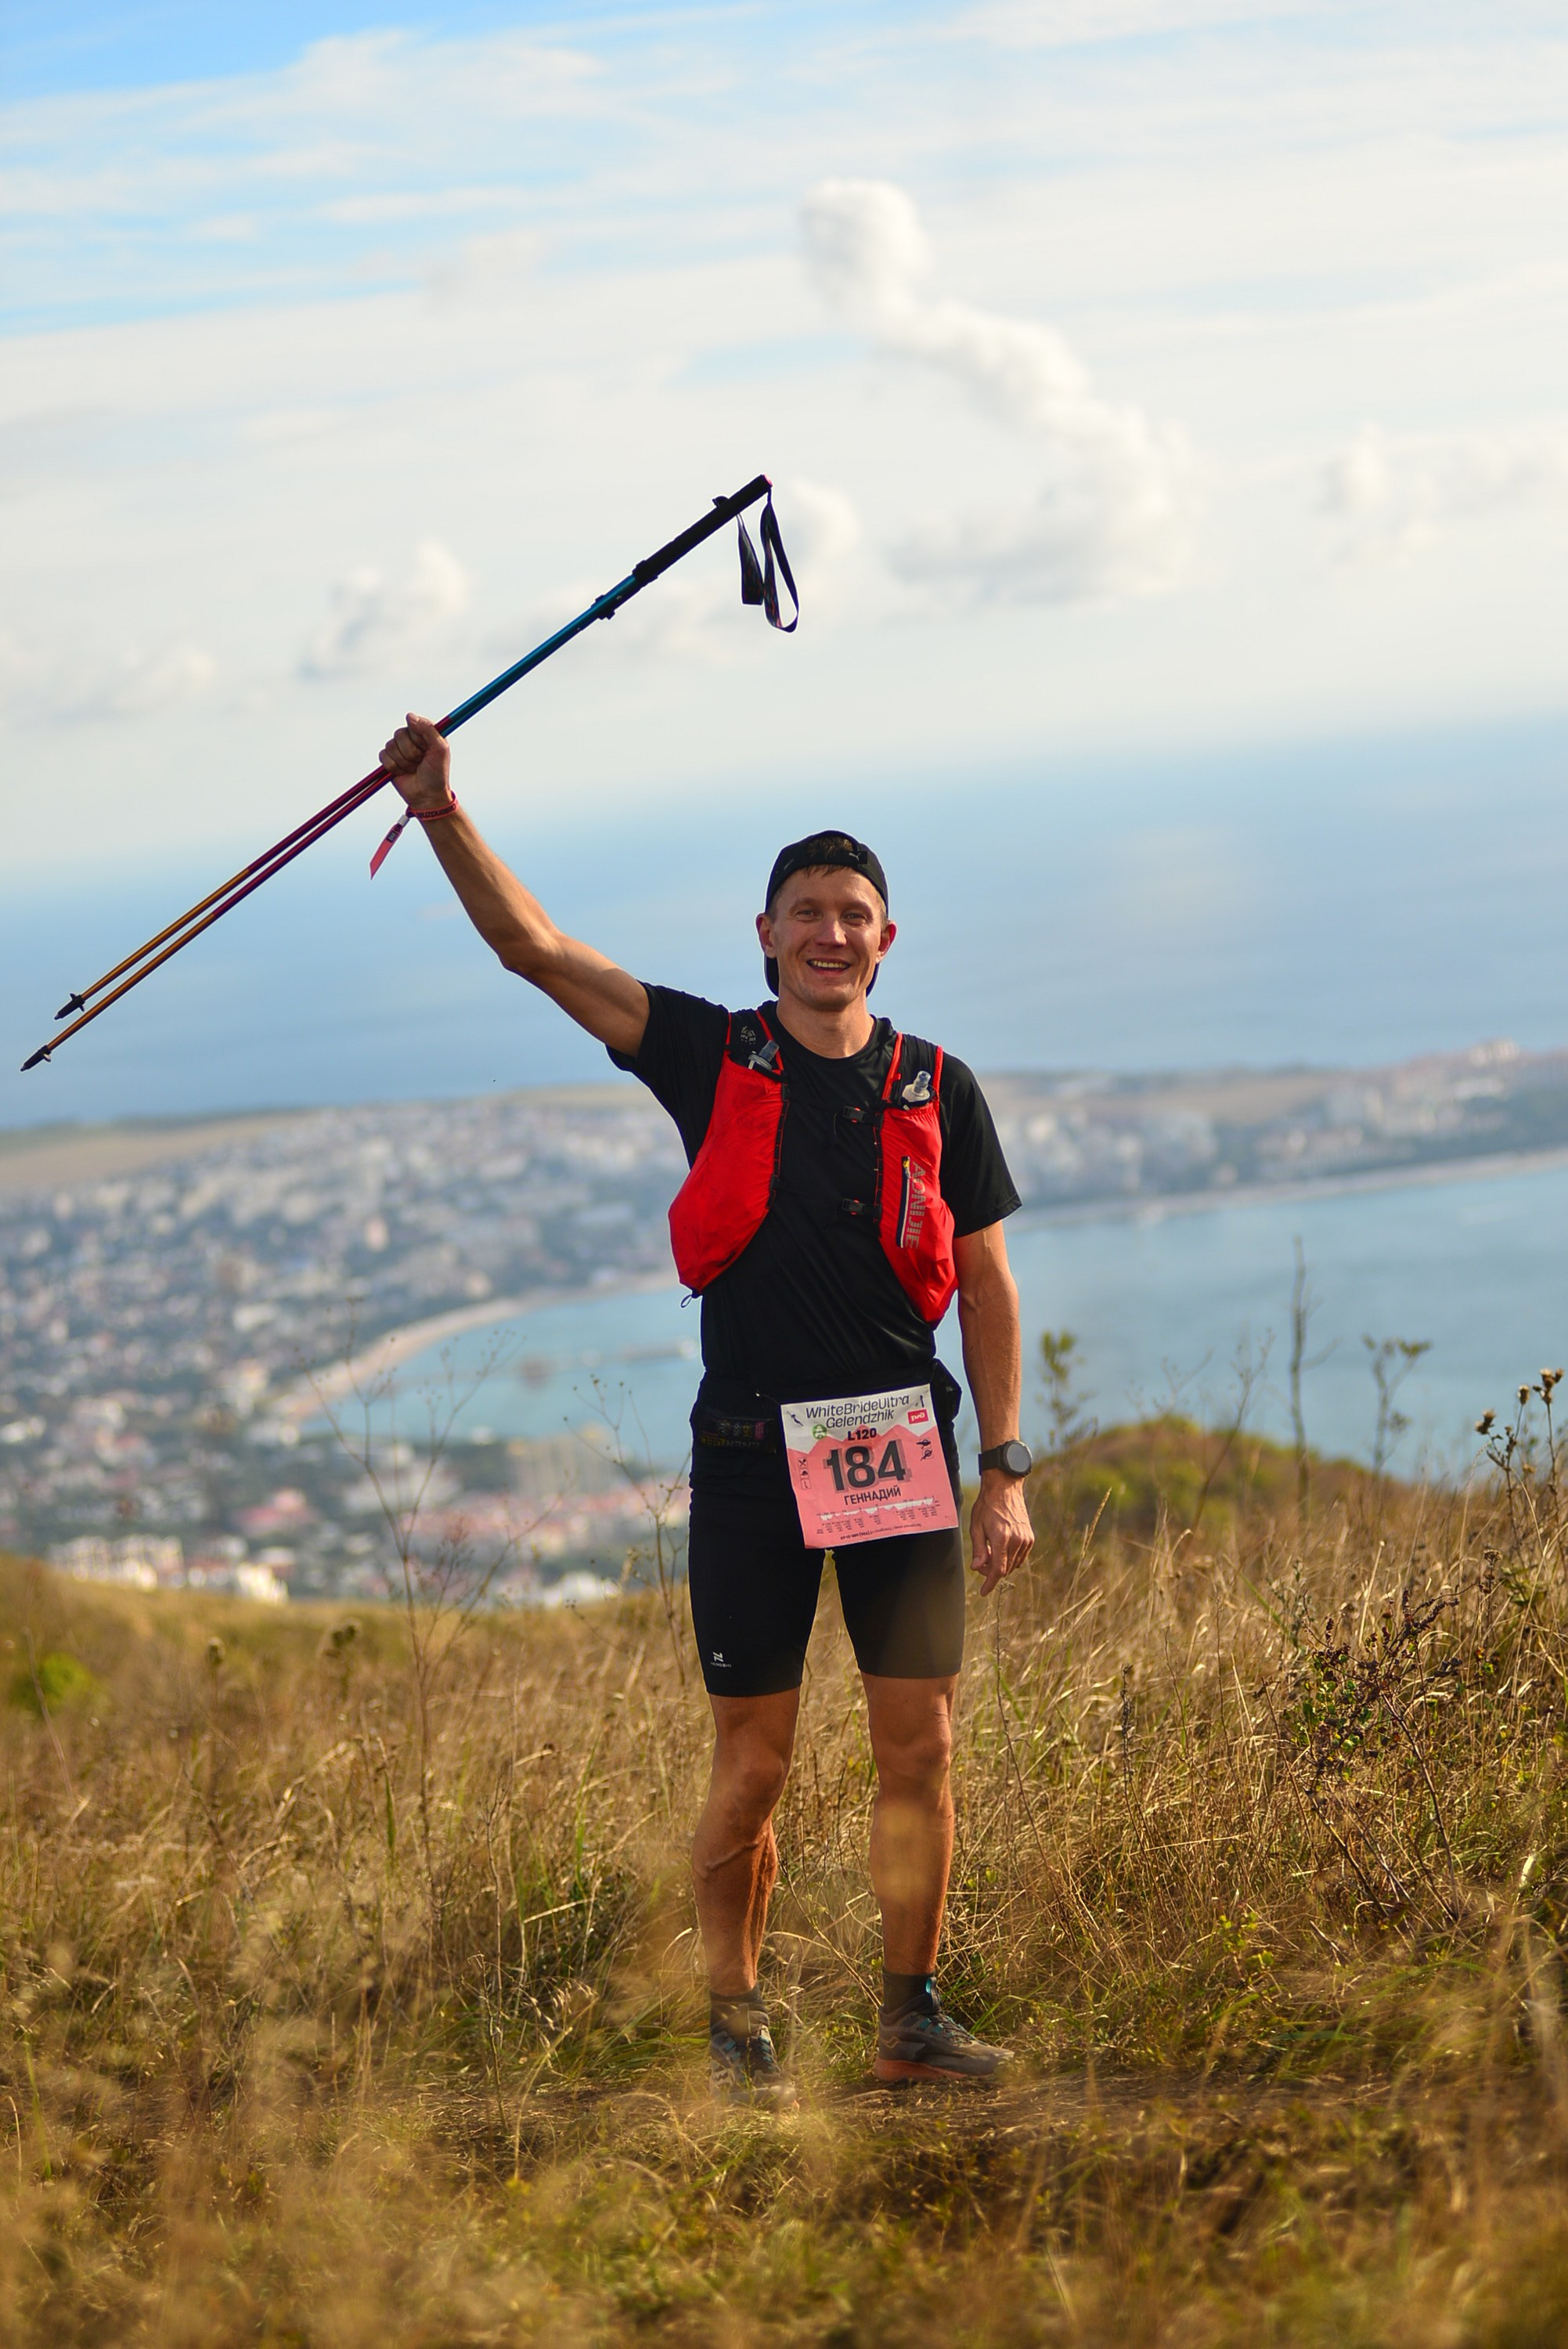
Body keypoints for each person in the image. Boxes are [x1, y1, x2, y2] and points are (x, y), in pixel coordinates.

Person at [379, 713, 1036, 2103]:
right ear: (766, 932)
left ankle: (907, 2020)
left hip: (899, 1452)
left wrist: (1008, 1466)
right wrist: (441, 811)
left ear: (885, 939)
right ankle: (736, 2027)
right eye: (807, 913)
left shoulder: (938, 1086)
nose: (831, 934)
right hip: (749, 1457)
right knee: (756, 1764)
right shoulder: (708, 1051)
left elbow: (985, 1285)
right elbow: (538, 953)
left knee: (919, 1745)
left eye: (854, 915)